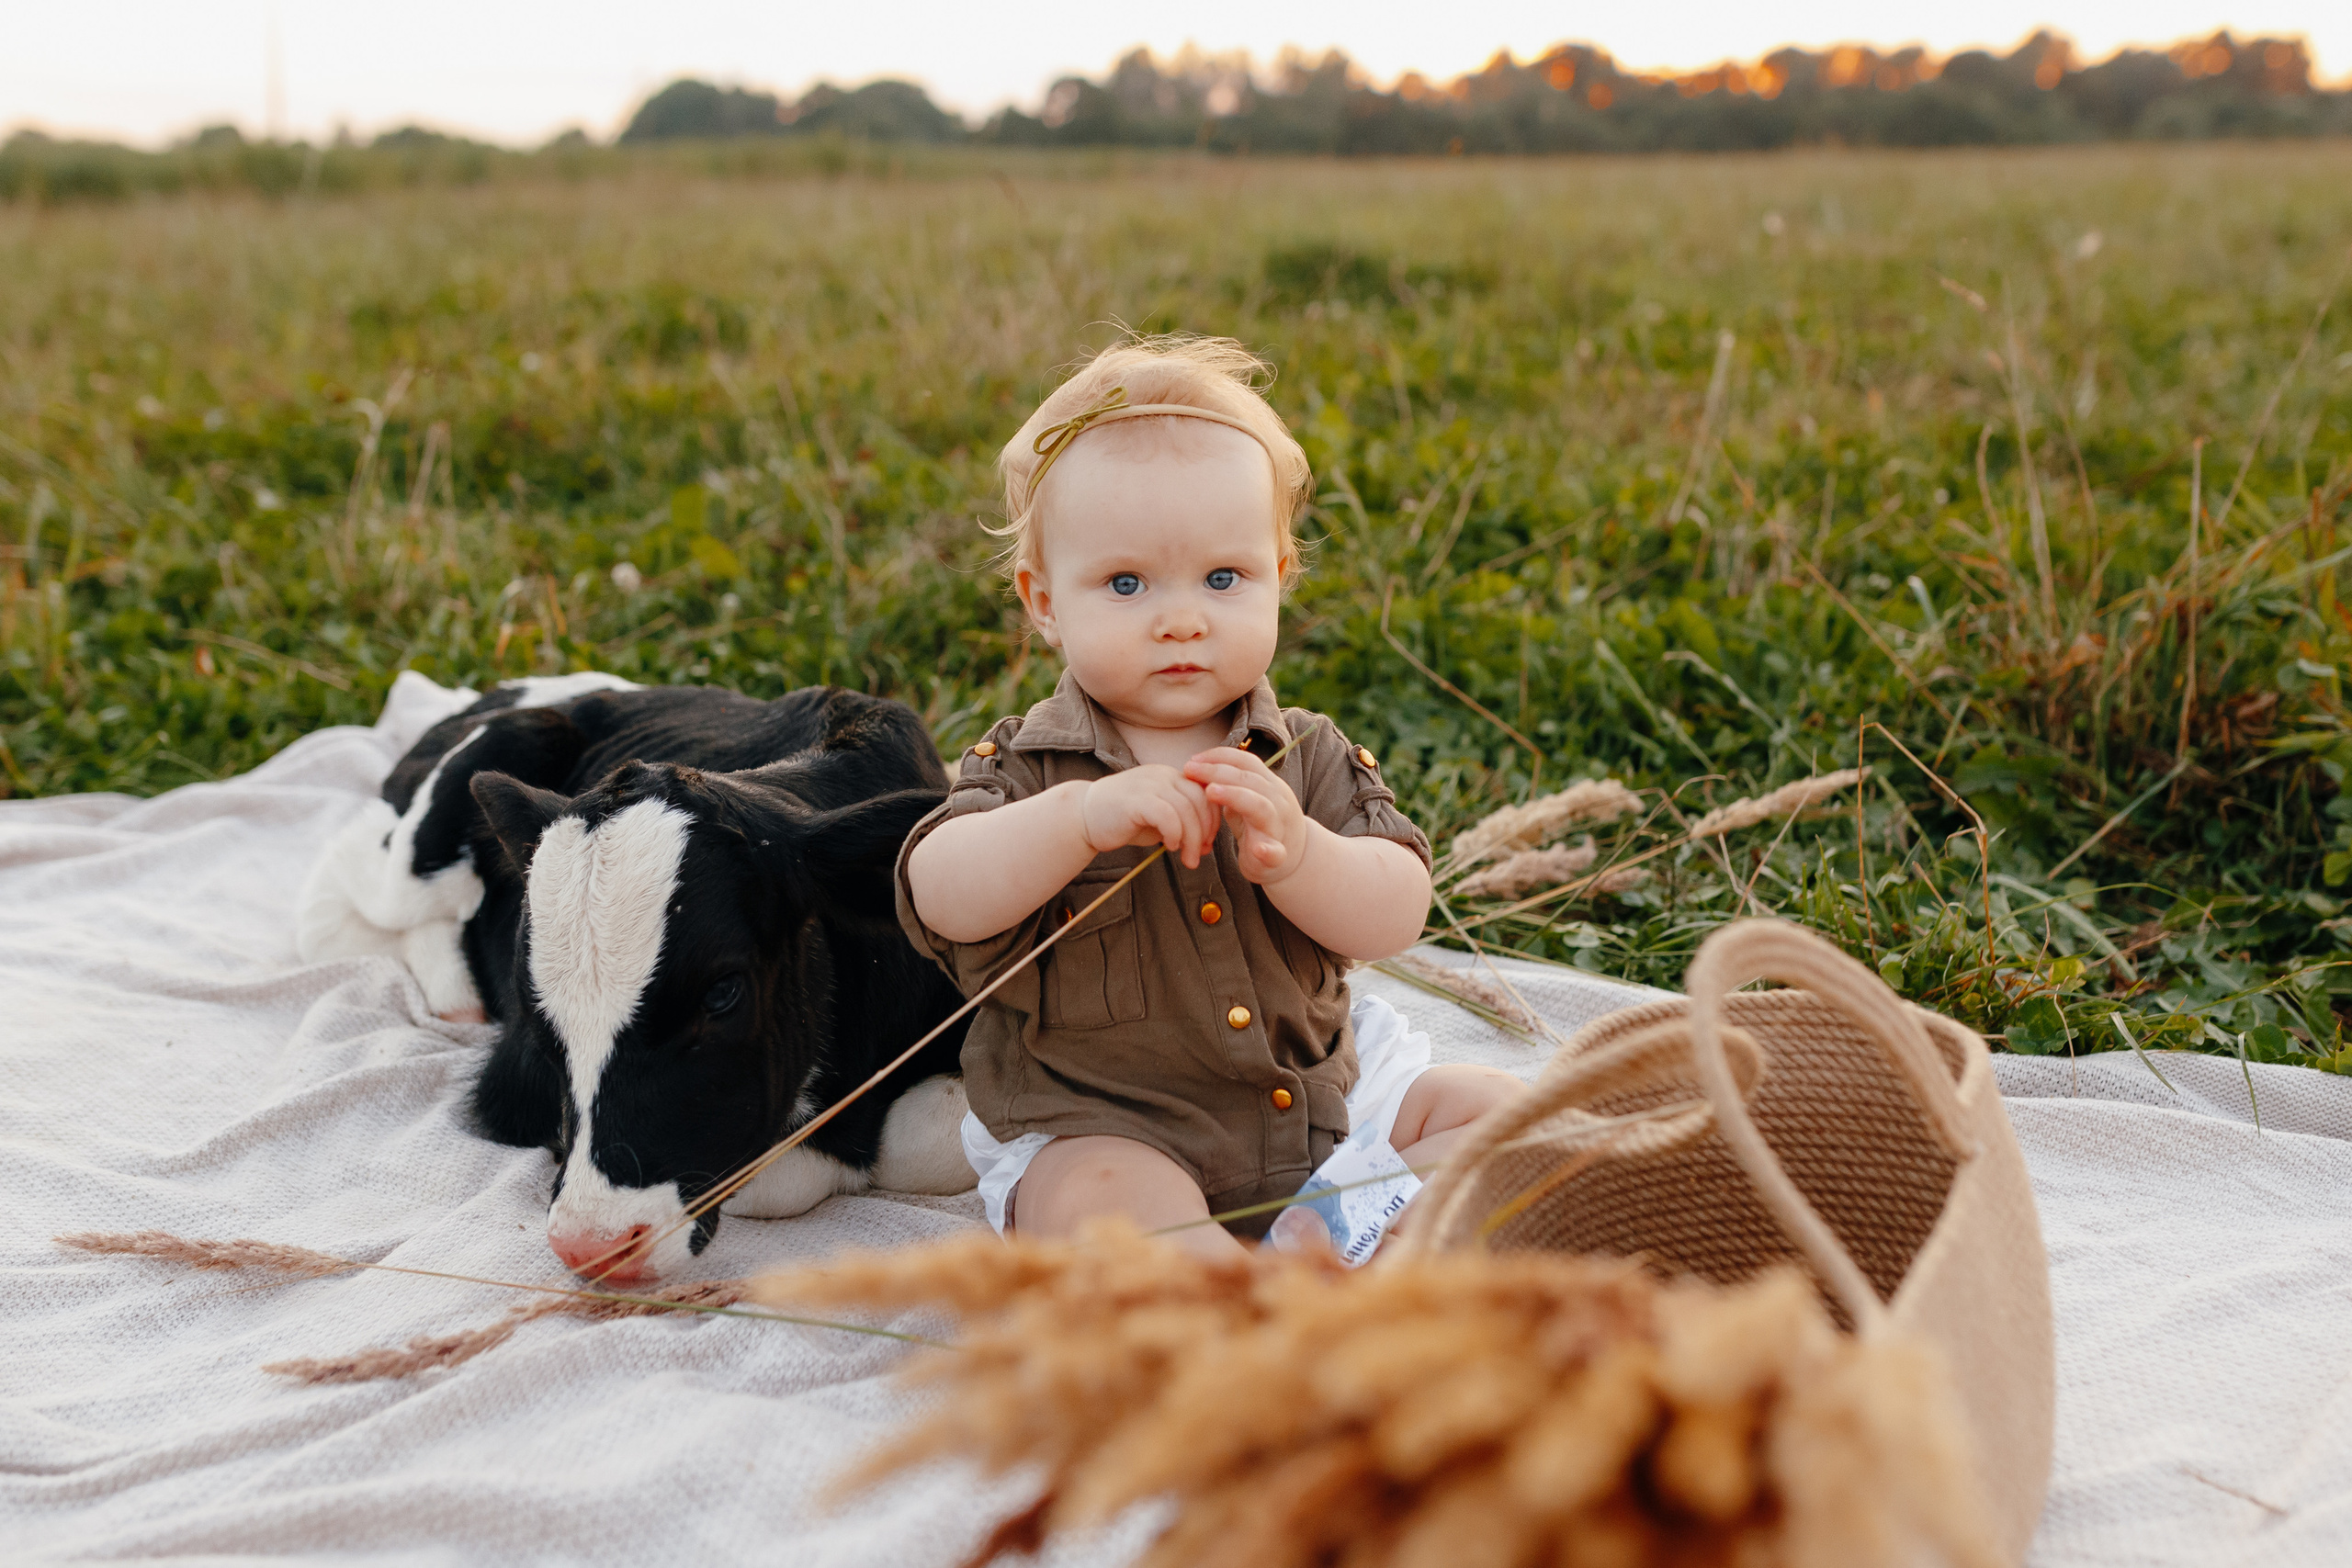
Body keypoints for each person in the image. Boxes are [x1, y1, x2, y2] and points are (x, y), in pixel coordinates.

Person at [898, 334, 1519, 1261]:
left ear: (1280, 576)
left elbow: (1395, 912)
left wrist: (1303, 855)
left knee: (1515, 1119)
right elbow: (941, 893)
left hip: (1325, 1109)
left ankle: (1338, 1248)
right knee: (1109, 1207)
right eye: (1126, 583)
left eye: (1224, 579)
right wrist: (1076, 822)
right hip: (1112, 1128)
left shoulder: (1304, 752)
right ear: (1044, 602)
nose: (1182, 618)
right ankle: (1243, 1288)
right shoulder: (1025, 766)